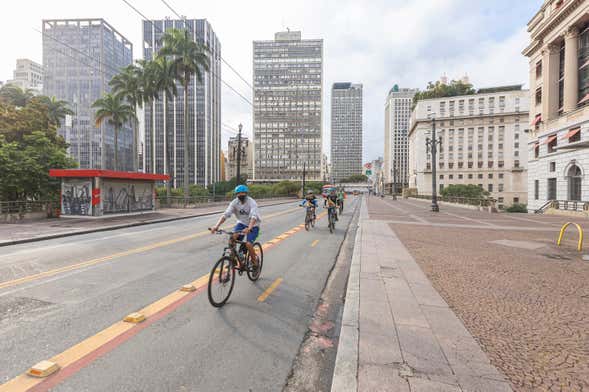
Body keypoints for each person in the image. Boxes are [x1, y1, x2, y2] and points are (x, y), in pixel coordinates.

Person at [210, 185, 261, 269]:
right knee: (232, 238)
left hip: (253, 225)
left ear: (246, 193)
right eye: (238, 193)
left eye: (243, 193)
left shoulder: (252, 202)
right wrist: (216, 226)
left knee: (248, 244)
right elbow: (226, 214)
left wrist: (249, 228)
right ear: (236, 194)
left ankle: (254, 262)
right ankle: (233, 260)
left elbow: (254, 216)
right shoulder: (234, 203)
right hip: (241, 224)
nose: (240, 195)